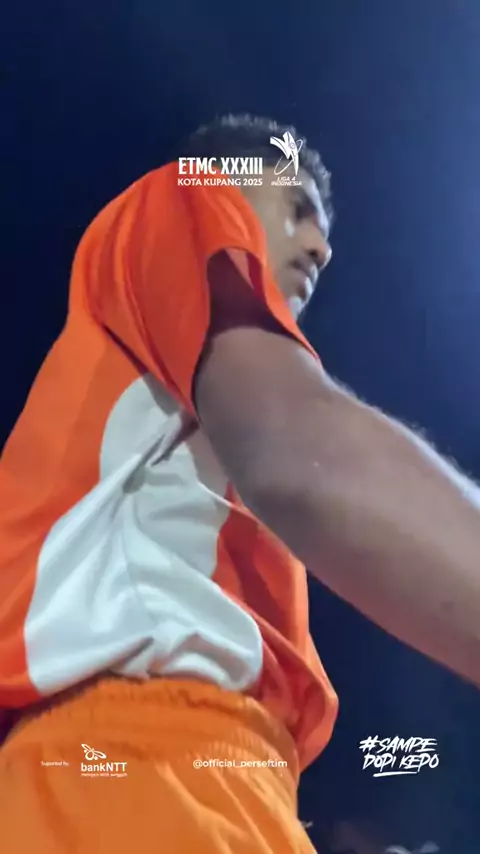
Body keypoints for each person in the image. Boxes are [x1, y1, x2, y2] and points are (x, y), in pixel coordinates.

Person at [0, 113, 479, 853]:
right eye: (296, 207)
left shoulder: (184, 424)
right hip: (133, 766)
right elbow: (302, 449)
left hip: (212, 779)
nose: (321, 247)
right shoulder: (181, 200)